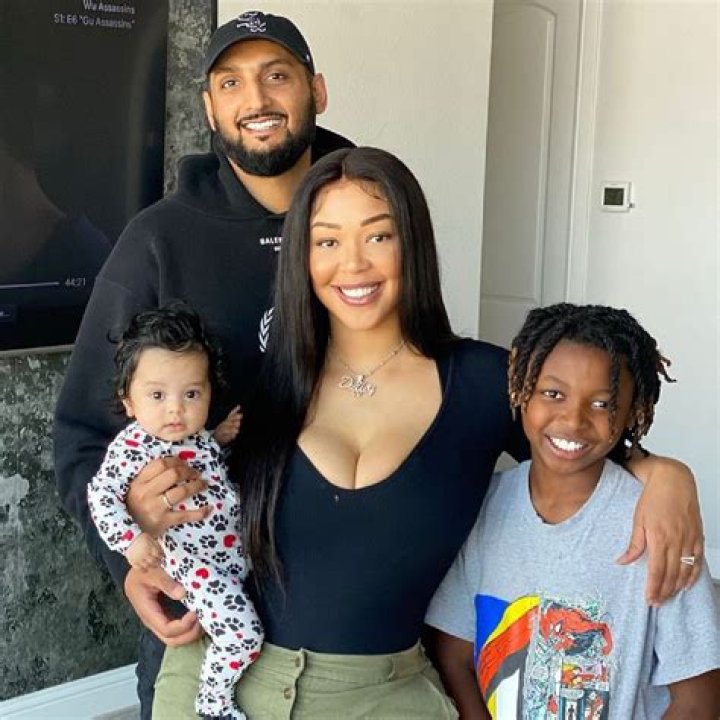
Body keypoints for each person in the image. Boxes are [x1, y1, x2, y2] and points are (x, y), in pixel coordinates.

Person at [148, 147, 707, 719]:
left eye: (378, 236)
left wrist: (666, 474)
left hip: (387, 697)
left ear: (411, 243)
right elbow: (151, 480)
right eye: (327, 241)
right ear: (302, 257)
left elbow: (576, 441)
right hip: (222, 682)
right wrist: (138, 557)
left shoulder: (485, 382)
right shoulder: (254, 385)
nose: (353, 264)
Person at [53, 10, 353, 717]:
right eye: (231, 83)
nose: (257, 100)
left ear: (316, 89)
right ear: (209, 108)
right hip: (204, 600)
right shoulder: (158, 241)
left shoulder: (368, 217)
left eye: (277, 75)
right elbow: (81, 435)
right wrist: (130, 562)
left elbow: (431, 374)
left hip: (351, 597)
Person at [426, 303, 720, 719]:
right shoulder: (485, 505)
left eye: (602, 404)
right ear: (520, 388)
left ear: (633, 411)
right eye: (553, 394)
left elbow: (697, 700)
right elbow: (452, 653)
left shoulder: (659, 523)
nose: (573, 419)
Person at [87, 303, 259, 720]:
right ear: (128, 401)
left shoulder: (194, 436)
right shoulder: (132, 447)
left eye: (192, 394)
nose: (175, 409)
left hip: (236, 555)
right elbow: (101, 497)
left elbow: (201, 461)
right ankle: (213, 701)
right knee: (242, 636)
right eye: (157, 395)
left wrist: (217, 437)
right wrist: (131, 541)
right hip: (193, 565)